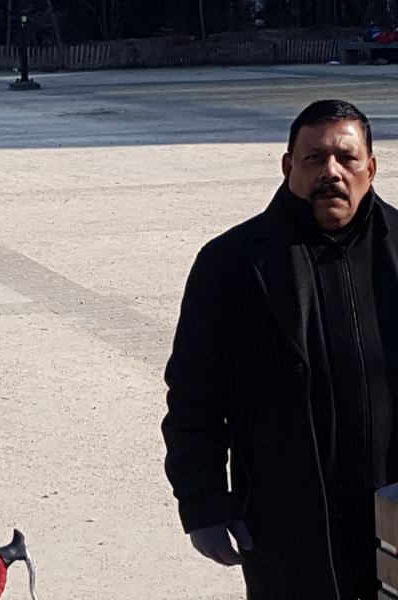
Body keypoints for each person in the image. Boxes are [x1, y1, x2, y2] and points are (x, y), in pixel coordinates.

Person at [162, 99, 397, 600]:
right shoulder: (231, 264)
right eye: (314, 158)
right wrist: (203, 503)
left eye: (347, 158)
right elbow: (194, 395)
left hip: (393, 508)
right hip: (285, 520)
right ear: (289, 165)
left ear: (371, 169)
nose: (331, 172)